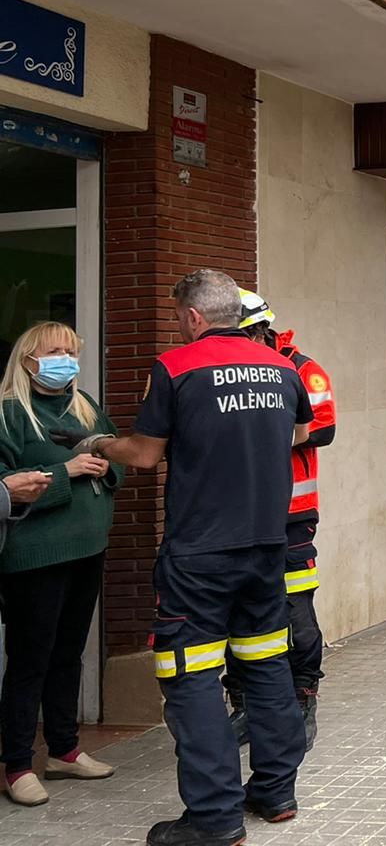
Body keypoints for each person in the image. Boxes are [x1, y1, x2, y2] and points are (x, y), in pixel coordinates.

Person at [66, 269, 312, 846]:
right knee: (267, 666)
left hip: (200, 554)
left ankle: (214, 817)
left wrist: (97, 443)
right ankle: (276, 794)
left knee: (192, 674)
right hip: (266, 546)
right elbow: (299, 431)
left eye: (179, 316)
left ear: (194, 317)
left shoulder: (176, 368)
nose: (179, 326)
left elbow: (145, 456)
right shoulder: (280, 366)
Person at [0, 323, 123, 808]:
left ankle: (65, 750)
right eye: (55, 352)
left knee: (68, 653)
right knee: (31, 659)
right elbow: (5, 484)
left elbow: (120, 456)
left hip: (87, 549)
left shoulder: (84, 404)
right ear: (28, 358)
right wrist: (64, 472)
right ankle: (16, 765)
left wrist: (105, 463)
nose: (66, 360)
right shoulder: (11, 414)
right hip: (35, 557)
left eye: (71, 352)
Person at [224, 290, 335, 750]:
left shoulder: (302, 368)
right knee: (237, 608)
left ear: (261, 329)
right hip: (234, 513)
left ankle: (302, 694)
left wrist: (255, 429)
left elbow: (324, 429)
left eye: (245, 333)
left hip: (291, 514)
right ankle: (245, 702)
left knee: (295, 610)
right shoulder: (222, 370)